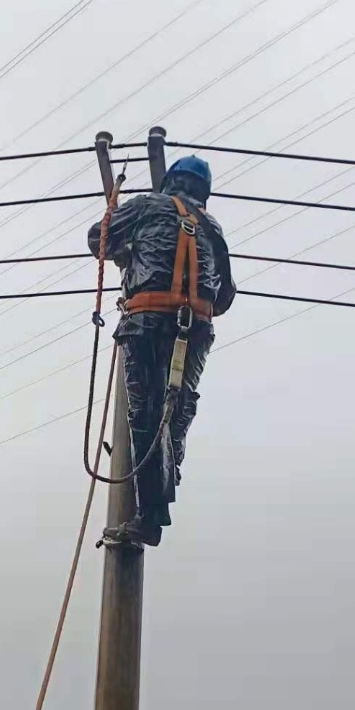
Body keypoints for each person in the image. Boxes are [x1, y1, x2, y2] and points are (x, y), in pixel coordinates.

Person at [87, 154, 235, 547]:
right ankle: (168, 475)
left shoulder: (146, 205)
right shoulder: (212, 228)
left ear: (170, 182)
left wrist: (130, 251)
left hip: (147, 320)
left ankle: (151, 515)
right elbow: (225, 296)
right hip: (196, 328)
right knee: (177, 408)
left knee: (146, 414)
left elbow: (98, 239)